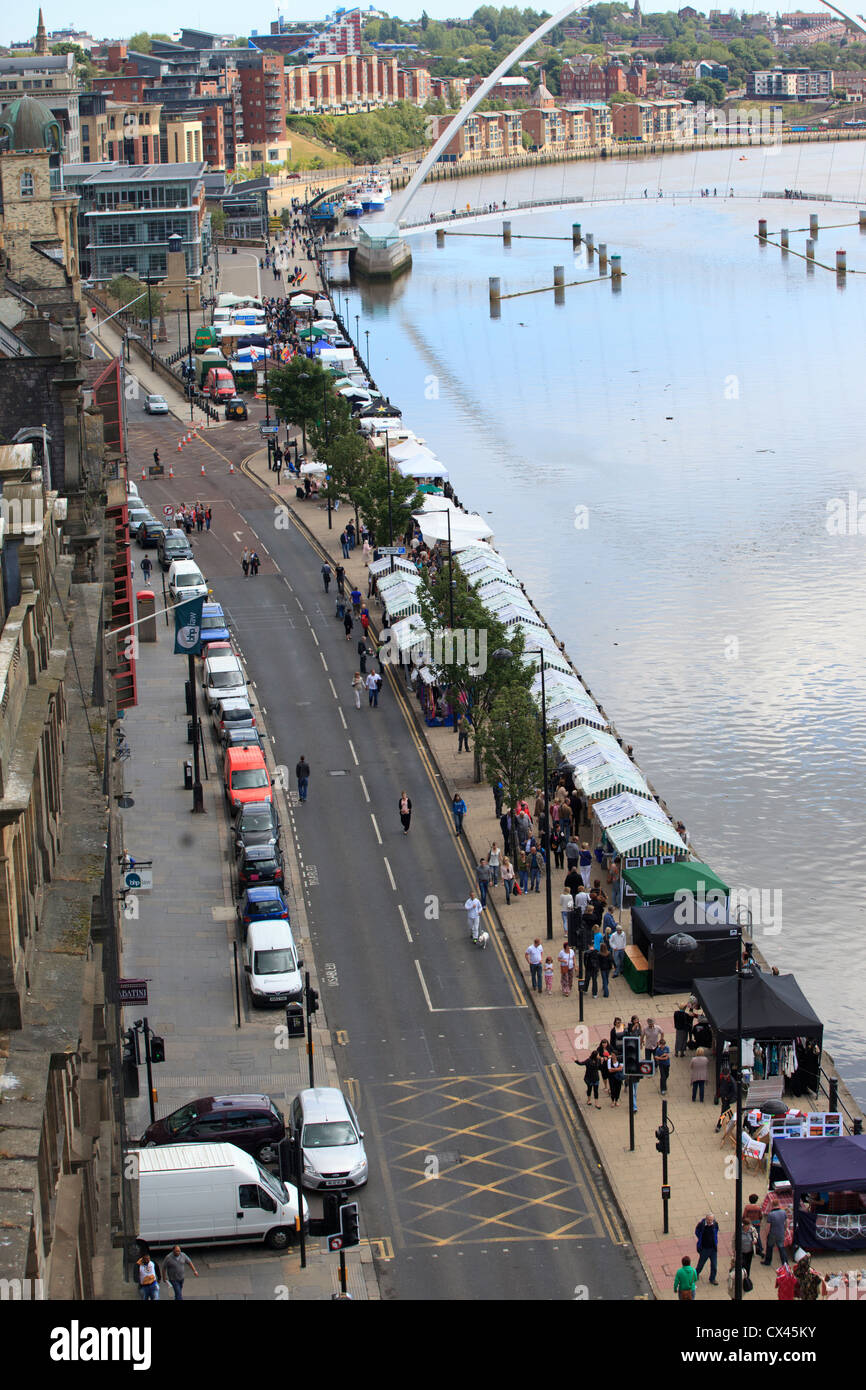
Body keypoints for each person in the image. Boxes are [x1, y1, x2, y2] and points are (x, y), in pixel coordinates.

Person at [762, 1197, 790, 1268]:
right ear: (778, 1204)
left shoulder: (771, 1214)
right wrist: (785, 1229)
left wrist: (766, 1234)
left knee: (770, 1247)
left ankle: (768, 1261)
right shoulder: (783, 1212)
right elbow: (787, 1222)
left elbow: (768, 1226)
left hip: (772, 1233)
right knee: (781, 1247)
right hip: (780, 1233)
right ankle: (785, 1263)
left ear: (772, 1205)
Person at [694, 1213, 719, 1285]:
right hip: (704, 1248)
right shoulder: (701, 1225)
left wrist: (715, 1242)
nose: (710, 1222)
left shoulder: (715, 1225)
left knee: (714, 1265)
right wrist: (701, 1239)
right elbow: (697, 1232)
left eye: (711, 1220)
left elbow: (716, 1233)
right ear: (706, 1219)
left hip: (713, 1248)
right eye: (709, 1220)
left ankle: (712, 1279)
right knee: (701, 1264)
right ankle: (696, 1274)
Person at [742, 1193, 765, 1257]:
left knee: (749, 1235)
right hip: (757, 1223)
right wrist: (759, 1221)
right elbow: (760, 1216)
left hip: (749, 1223)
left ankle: (750, 1249)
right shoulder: (758, 1208)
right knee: (757, 1235)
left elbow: (744, 1216)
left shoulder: (747, 1207)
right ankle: (760, 1249)